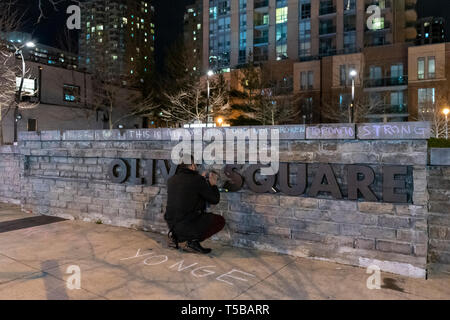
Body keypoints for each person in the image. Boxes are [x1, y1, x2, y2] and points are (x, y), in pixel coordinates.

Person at [164, 157, 225, 254]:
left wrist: (200, 179)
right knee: (220, 221)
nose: (196, 167)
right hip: (185, 224)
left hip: (171, 224)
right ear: (192, 165)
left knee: (187, 215)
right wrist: (213, 184)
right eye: (196, 165)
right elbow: (214, 200)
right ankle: (190, 242)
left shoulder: (172, 179)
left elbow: (187, 192)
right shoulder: (197, 180)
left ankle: (177, 238)